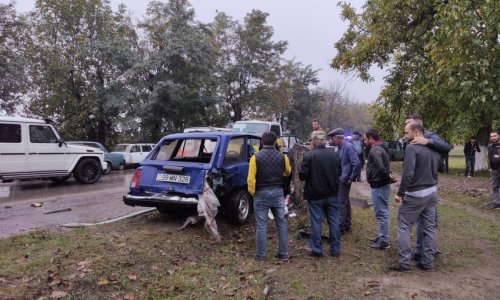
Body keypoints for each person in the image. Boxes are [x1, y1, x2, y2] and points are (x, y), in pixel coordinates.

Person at [392, 123, 441, 272]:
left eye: (407, 132)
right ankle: (428, 263)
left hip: (415, 194)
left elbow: (408, 174)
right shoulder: (434, 148)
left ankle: (404, 264)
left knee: (404, 226)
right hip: (432, 192)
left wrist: (400, 193)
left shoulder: (412, 147)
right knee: (430, 228)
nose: (405, 135)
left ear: (416, 132)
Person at [404, 114, 452, 260]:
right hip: (419, 183)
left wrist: (428, 141)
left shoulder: (430, 135)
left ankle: (428, 251)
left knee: (429, 221)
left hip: (429, 184)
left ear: (418, 125)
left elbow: (447, 147)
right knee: (421, 221)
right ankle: (422, 251)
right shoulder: (410, 139)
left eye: (408, 124)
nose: (405, 127)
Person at [247, 131, 292, 261]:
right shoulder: (283, 157)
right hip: (277, 193)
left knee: (261, 225)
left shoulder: (255, 157)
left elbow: (251, 179)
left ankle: (261, 255)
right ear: (275, 142)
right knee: (281, 223)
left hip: (260, 193)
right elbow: (288, 171)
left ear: (261, 142)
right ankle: (283, 253)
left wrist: (253, 193)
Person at [299, 131, 342, 257]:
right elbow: (339, 172)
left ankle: (317, 249)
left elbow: (302, 175)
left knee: (316, 221)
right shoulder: (334, 155)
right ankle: (335, 249)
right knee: (334, 221)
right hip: (332, 193)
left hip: (315, 195)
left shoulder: (309, 155)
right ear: (324, 142)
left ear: (313, 141)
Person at [364, 129, 394, 249]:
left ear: (371, 139)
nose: (365, 142)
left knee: (381, 213)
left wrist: (387, 175)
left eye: (366, 139)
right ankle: (382, 236)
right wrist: (389, 175)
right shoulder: (381, 147)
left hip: (379, 185)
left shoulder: (375, 149)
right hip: (382, 184)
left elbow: (381, 165)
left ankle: (384, 241)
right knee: (383, 211)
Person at [328, 128, 361, 234]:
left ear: (339, 138)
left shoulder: (348, 147)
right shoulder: (341, 147)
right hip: (342, 178)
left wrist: (351, 178)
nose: (332, 141)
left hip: (345, 180)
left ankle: (341, 227)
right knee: (345, 201)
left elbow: (356, 163)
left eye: (333, 138)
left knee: (341, 202)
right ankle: (347, 224)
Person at [487, 131, 500, 210]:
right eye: (491, 136)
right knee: (495, 186)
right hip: (494, 170)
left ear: (499, 136)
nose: (493, 138)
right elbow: (489, 157)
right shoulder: (490, 146)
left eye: (495, 136)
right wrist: (490, 167)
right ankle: (496, 203)